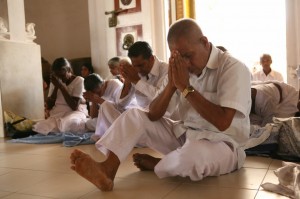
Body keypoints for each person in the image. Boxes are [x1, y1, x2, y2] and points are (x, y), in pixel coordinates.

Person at [70, 19, 251, 191]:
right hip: (186, 135)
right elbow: (153, 114)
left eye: (188, 56)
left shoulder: (233, 68)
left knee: (192, 157)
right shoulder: (180, 69)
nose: (186, 64)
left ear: (204, 42)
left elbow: (223, 122)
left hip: (223, 144)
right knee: (135, 114)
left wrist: (186, 88)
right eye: (180, 58)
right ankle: (107, 170)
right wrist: (172, 85)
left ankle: (159, 163)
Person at [33, 57, 88, 135]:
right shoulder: (55, 82)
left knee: (73, 123)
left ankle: (59, 130)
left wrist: (61, 87)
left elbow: (74, 106)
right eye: (57, 76)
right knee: (40, 127)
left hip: (74, 112)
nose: (60, 79)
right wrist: (56, 87)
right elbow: (49, 106)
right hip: (58, 113)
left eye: (62, 75)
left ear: (69, 70)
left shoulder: (79, 80)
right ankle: (59, 130)